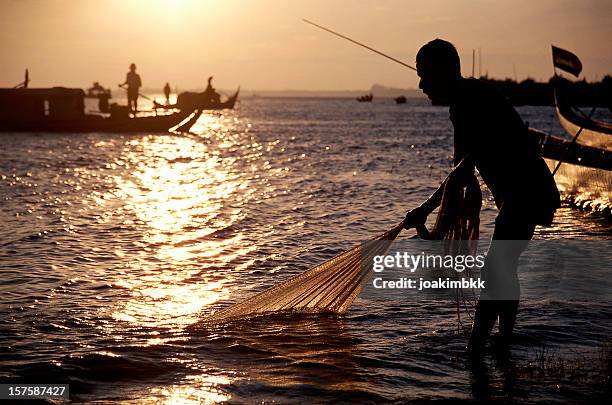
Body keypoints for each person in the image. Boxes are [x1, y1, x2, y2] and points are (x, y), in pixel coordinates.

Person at [404, 39, 560, 356]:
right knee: (504, 267)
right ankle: (503, 343)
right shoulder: (471, 96)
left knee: (495, 269)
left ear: (442, 72)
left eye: (424, 75)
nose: (420, 84)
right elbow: (464, 169)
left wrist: (424, 210)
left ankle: (476, 350)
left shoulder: (466, 104)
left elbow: (461, 173)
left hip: (526, 192)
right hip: (530, 191)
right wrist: (426, 210)